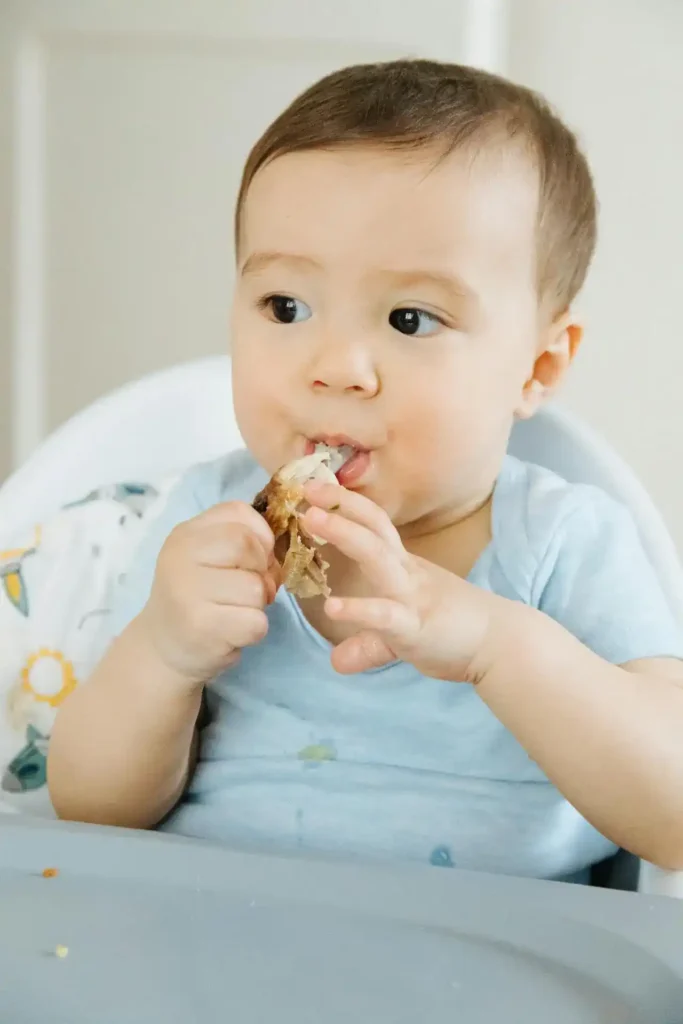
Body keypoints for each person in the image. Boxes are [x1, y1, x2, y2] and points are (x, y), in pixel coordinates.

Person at [48, 60, 683, 882]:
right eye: (286, 307)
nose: (337, 366)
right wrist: (164, 655)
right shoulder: (204, 521)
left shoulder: (566, 543)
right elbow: (92, 812)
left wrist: (494, 647)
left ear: (537, 365)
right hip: (206, 942)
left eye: (410, 318)